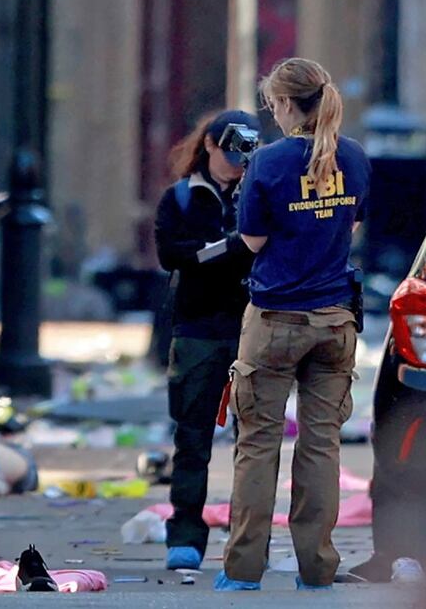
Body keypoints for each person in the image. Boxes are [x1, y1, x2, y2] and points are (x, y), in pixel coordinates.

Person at [214, 58, 370, 591]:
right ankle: (317, 568)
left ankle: (243, 572)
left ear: (283, 105)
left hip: (276, 317)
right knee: (322, 444)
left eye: (274, 104)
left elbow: (253, 242)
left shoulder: (270, 163)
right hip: (335, 320)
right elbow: (351, 227)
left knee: (258, 444)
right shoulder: (353, 157)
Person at [154, 108, 261, 570]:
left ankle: (245, 540)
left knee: (253, 440)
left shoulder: (257, 193)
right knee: (193, 436)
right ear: (211, 146)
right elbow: (170, 255)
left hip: (252, 325)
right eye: (231, 153)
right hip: (197, 327)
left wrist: (213, 253)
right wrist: (231, 247)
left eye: (246, 156)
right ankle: (185, 533)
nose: (238, 164)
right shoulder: (180, 198)